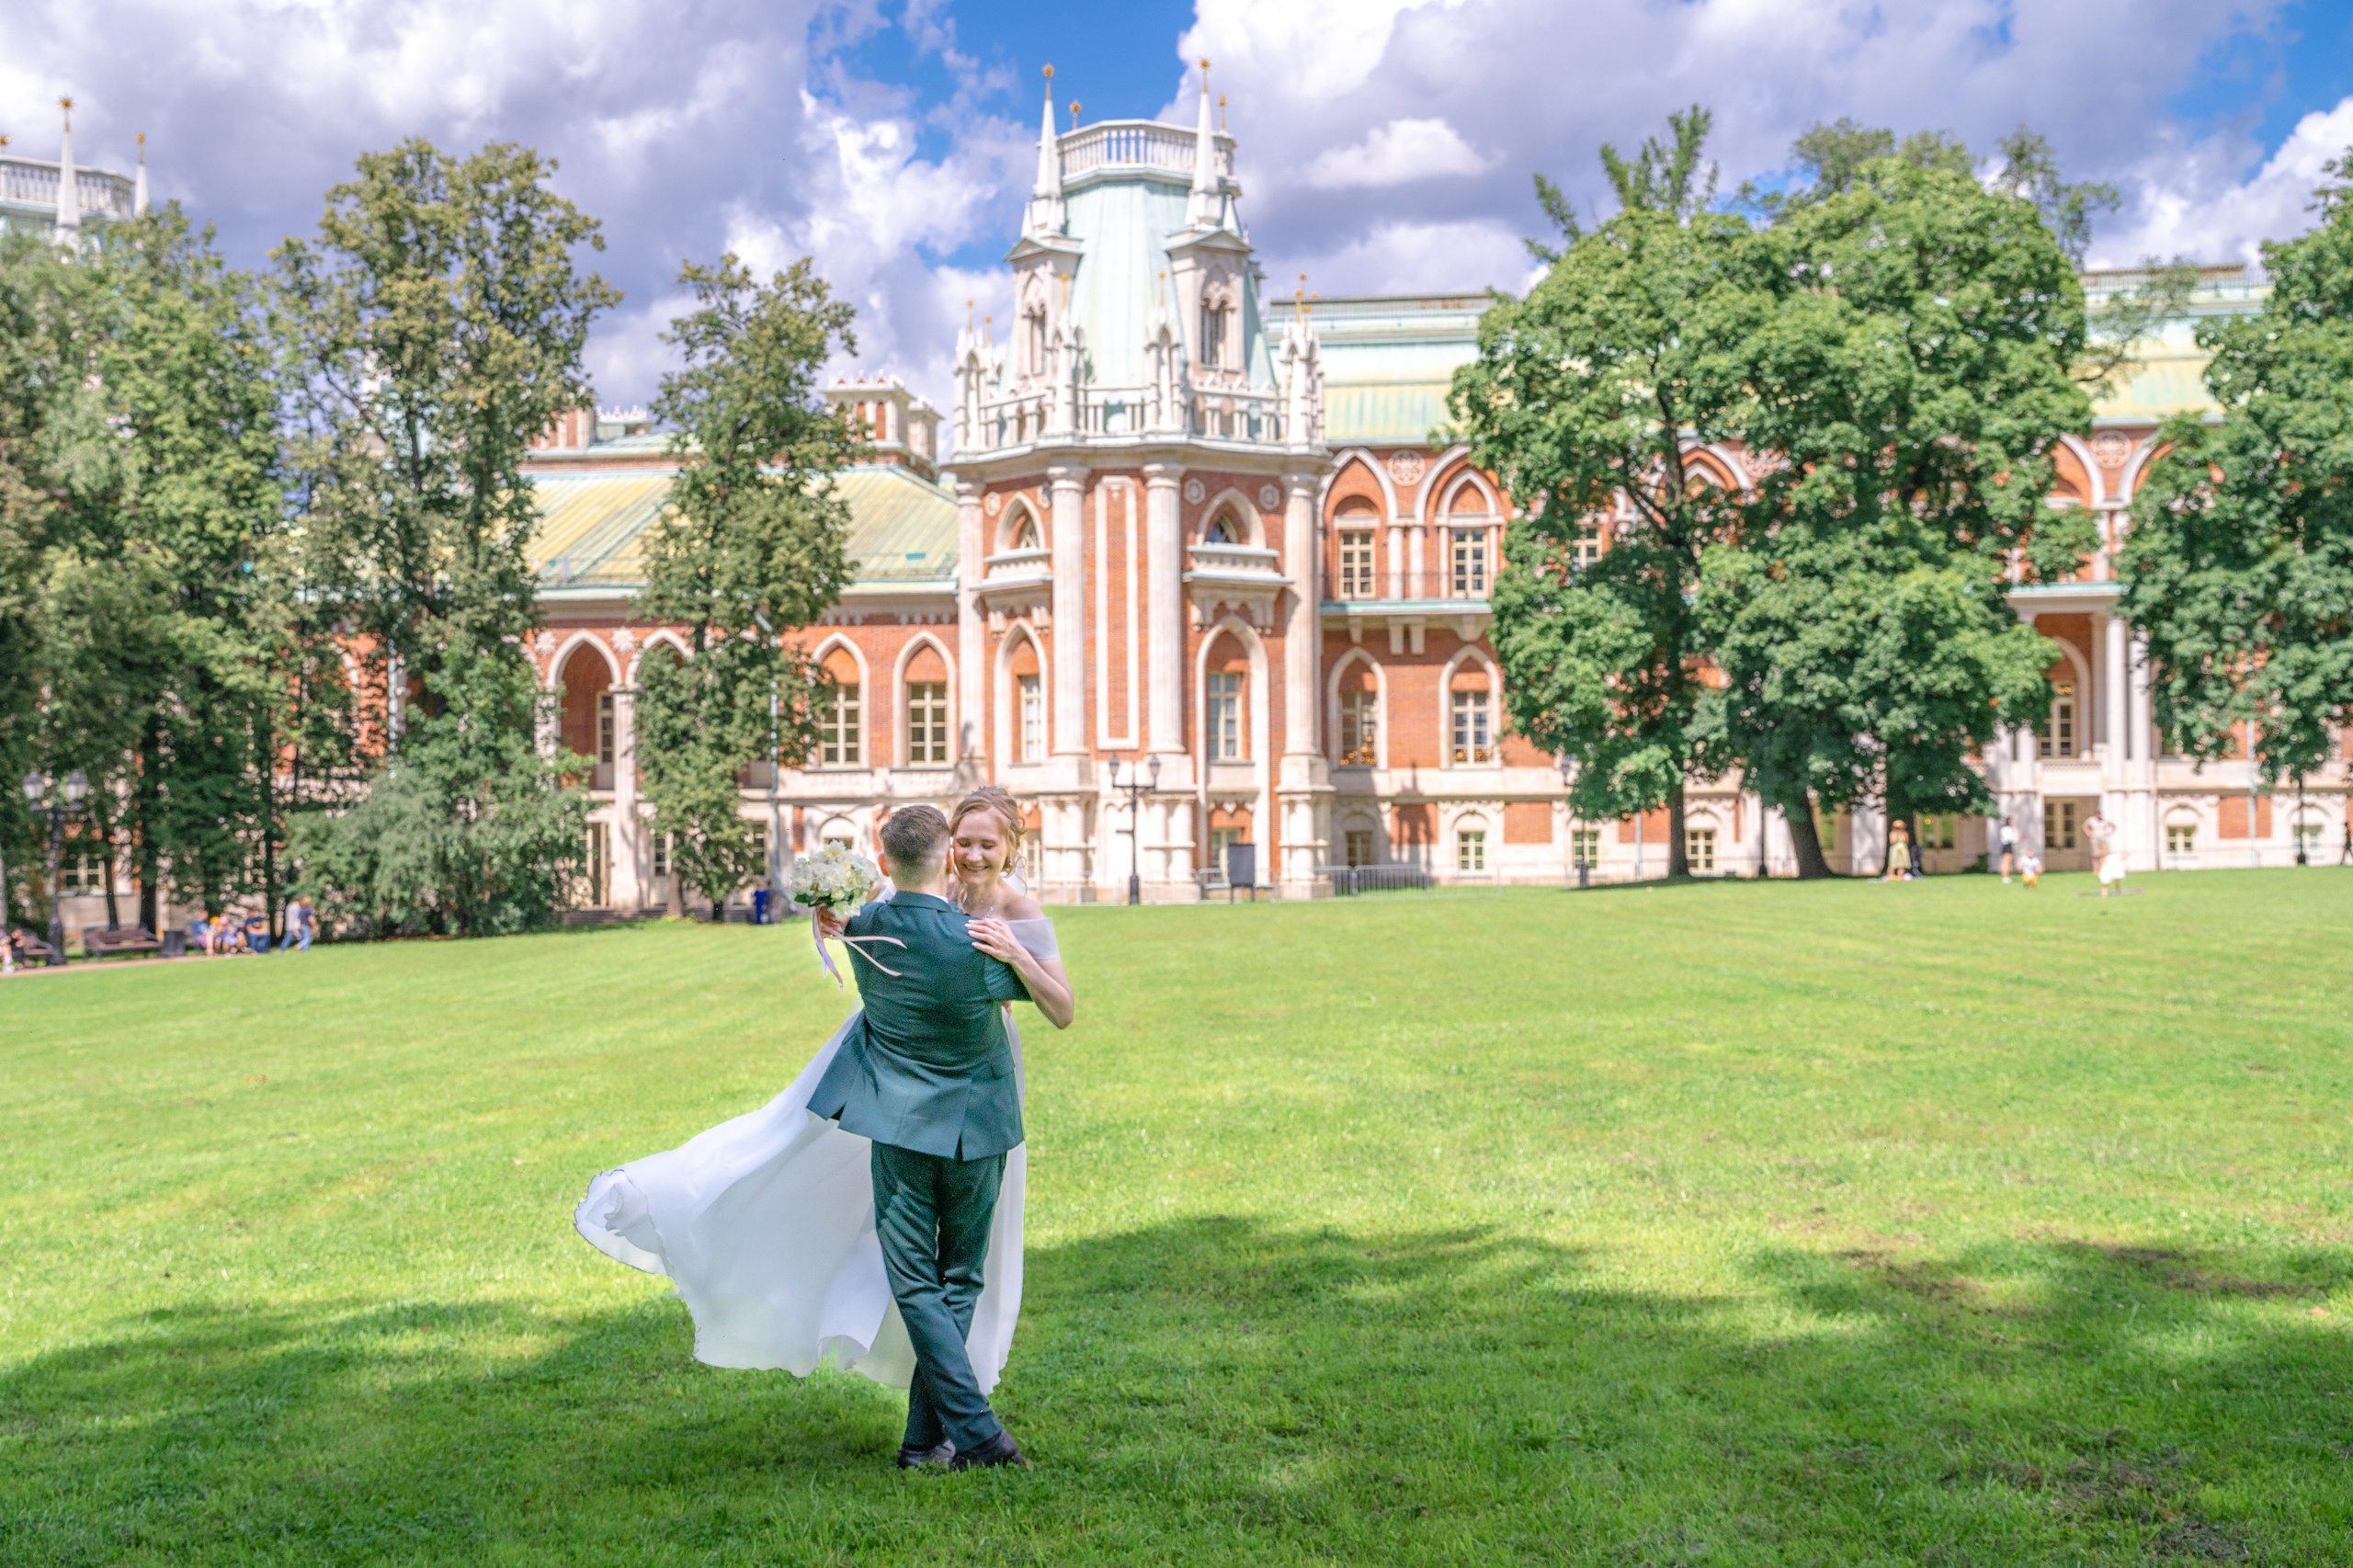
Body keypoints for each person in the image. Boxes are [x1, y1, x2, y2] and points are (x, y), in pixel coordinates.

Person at [574, 789, 1074, 1472]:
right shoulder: (927, 917)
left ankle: (936, 1437)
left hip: (943, 1093)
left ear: (1012, 847)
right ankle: (959, 1435)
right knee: (950, 1273)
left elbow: (1059, 1004)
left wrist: (1014, 955)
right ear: (947, 847)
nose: (974, 853)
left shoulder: (963, 921)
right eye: (964, 841)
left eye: (989, 843)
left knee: (934, 1273)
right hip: (942, 1094)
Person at [2086, 810, 2125, 898]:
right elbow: (2085, 826)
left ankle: (2105, 867)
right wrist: (2089, 833)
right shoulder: (2091, 820)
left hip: (2103, 840)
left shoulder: (2105, 820)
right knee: (2096, 855)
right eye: (2097, 813)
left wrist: (2110, 833)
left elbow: (2114, 826)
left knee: (2106, 855)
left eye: (2099, 813)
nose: (2098, 815)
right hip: (2095, 840)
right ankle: (2096, 870)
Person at [1883, 818, 1912, 882]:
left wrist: (1903, 835)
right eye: (1898, 828)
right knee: (1893, 863)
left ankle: (1900, 876)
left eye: (1901, 827)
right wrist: (1897, 835)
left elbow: (1907, 841)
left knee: (1902, 864)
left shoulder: (1905, 833)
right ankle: (1890, 876)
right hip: (1895, 850)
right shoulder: (1892, 833)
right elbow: (1892, 842)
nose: (1900, 829)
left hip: (1903, 849)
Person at [1998, 816, 2019, 883]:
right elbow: (2009, 839)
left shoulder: (2003, 829)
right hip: (2007, 846)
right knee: (2006, 862)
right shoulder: (2008, 829)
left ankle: (2005, 877)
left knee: (2005, 862)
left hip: (2005, 846)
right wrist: (2017, 840)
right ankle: (2006, 877)